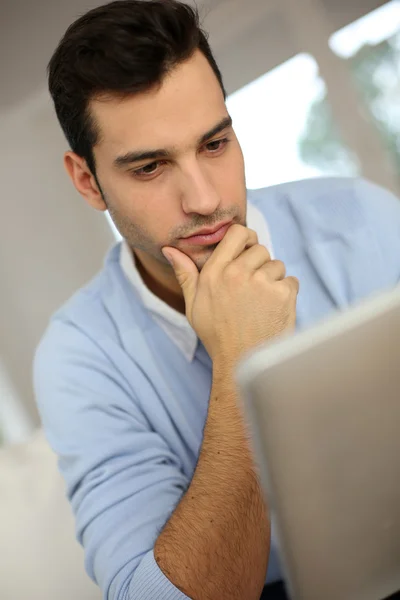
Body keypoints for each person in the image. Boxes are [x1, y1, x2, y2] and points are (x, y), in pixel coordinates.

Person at [33, 1, 400, 599]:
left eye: (214, 143)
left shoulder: (363, 220)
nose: (204, 199)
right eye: (150, 167)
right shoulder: (80, 360)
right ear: (86, 180)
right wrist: (241, 362)